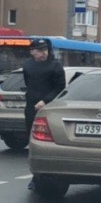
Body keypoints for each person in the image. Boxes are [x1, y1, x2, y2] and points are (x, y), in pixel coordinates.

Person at [23, 38, 66, 189]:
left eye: (46, 50)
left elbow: (60, 87)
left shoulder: (55, 66)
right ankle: (36, 177)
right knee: (33, 144)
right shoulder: (27, 66)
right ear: (32, 52)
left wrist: (45, 100)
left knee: (45, 144)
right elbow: (29, 84)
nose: (44, 53)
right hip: (31, 108)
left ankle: (46, 177)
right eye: (40, 50)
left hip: (48, 109)